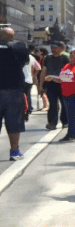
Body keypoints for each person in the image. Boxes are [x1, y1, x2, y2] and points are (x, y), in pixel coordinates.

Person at [0, 28, 29, 160]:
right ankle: (14, 151)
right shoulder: (19, 47)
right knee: (14, 122)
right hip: (14, 89)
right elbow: (26, 62)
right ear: (12, 36)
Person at [52, 49, 75, 142]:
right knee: (74, 114)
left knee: (72, 114)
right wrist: (52, 78)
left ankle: (71, 135)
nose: (73, 55)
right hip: (66, 94)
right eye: (71, 53)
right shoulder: (66, 66)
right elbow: (61, 79)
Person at [41, 41, 68, 130]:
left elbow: (68, 72)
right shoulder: (47, 58)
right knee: (52, 104)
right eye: (52, 47)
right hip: (50, 84)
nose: (53, 50)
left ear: (60, 49)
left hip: (62, 84)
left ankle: (65, 121)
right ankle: (52, 123)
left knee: (64, 103)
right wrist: (40, 84)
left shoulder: (65, 58)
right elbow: (43, 71)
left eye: (55, 48)